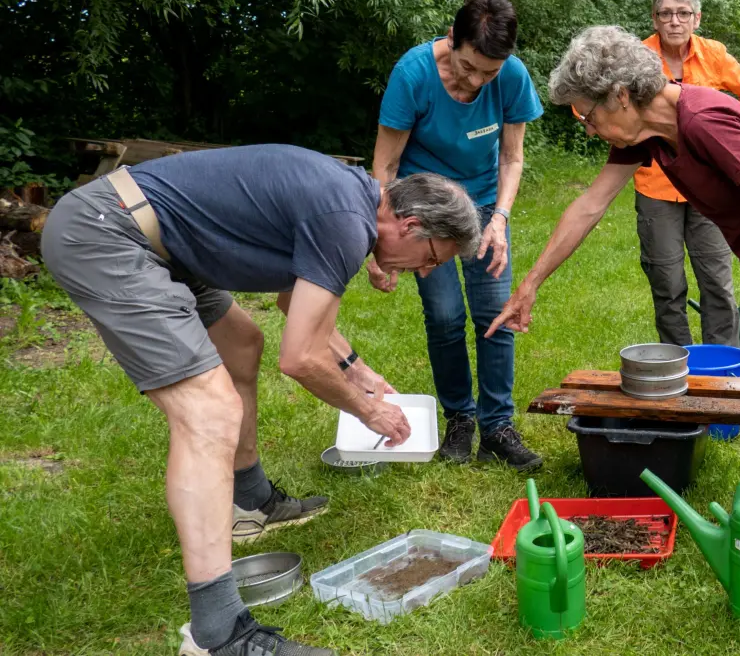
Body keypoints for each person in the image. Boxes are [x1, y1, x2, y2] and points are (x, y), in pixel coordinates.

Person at [40, 145, 480, 656]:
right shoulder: (346, 221)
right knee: (209, 413)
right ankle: (218, 634)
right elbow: (300, 357)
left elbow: (293, 302)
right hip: (109, 233)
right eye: (432, 258)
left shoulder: (351, 202)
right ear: (410, 224)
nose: (425, 271)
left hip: (170, 246)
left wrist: (356, 369)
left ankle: (250, 501)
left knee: (241, 344)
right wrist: (368, 410)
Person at [486, 25, 740, 495]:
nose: (588, 128)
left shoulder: (703, 120)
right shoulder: (648, 134)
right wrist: (530, 284)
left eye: (588, 115)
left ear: (621, 95)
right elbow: (589, 205)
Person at [368, 0, 544, 470]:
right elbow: (386, 165)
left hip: (485, 204)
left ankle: (498, 427)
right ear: (451, 39)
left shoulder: (511, 76)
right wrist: (378, 244)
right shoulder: (413, 75)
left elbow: (512, 157)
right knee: (445, 316)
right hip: (425, 212)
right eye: (468, 67)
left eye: (489, 73)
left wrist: (500, 219)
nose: (477, 81)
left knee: (495, 314)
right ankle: (460, 419)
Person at [633, 0, 740, 347]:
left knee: (717, 281)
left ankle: (722, 365)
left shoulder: (714, 54)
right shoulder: (637, 57)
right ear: (655, 19)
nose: (674, 21)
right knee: (667, 282)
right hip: (656, 186)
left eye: (683, 13)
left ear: (697, 19)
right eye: (666, 13)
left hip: (710, 187)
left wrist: (727, 138)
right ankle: (677, 363)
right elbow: (590, 104)